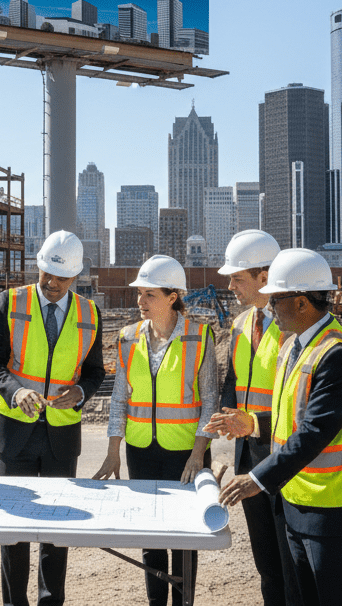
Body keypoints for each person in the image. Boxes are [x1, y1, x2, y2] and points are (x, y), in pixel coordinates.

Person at [217, 248, 342, 606]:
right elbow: (287, 422)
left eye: (276, 299)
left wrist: (256, 478)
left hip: (336, 507)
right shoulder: (295, 346)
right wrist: (253, 425)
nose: (270, 306)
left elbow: (314, 433)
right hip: (298, 500)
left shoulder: (338, 354)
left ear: (301, 304)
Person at [0, 230, 105, 606]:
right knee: (14, 530)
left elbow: (96, 371)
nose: (52, 284)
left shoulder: (89, 312)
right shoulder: (11, 302)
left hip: (61, 436)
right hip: (13, 431)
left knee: (57, 532)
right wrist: (16, 391)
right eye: (46, 275)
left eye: (61, 278)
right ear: (38, 267)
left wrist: (81, 392)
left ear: (76, 277)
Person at [93, 254, 218, 606]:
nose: (140, 302)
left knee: (184, 535)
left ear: (172, 296)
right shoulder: (128, 338)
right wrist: (113, 450)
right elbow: (120, 397)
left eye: (149, 294)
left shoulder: (199, 336)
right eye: (139, 293)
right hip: (141, 450)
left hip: (185, 453)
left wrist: (198, 453)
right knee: (150, 535)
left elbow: (209, 400)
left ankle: (183, 603)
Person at [204, 230, 300, 606]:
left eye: (237, 278)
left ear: (265, 277)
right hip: (248, 452)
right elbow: (234, 380)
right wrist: (222, 418)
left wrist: (253, 421)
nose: (230, 286)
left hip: (282, 451)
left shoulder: (292, 324)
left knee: (291, 561)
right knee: (266, 563)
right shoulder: (242, 323)